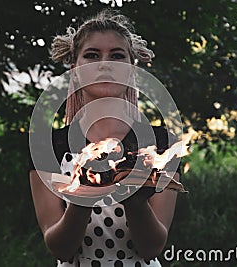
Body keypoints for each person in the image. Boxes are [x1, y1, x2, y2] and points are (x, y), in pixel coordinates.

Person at [29, 9, 181, 267]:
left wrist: (133, 198)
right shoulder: (48, 147)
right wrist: (84, 195)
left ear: (132, 69)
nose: (105, 64)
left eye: (117, 55)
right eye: (92, 55)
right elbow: (60, 248)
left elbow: (152, 246)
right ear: (74, 70)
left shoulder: (161, 144)